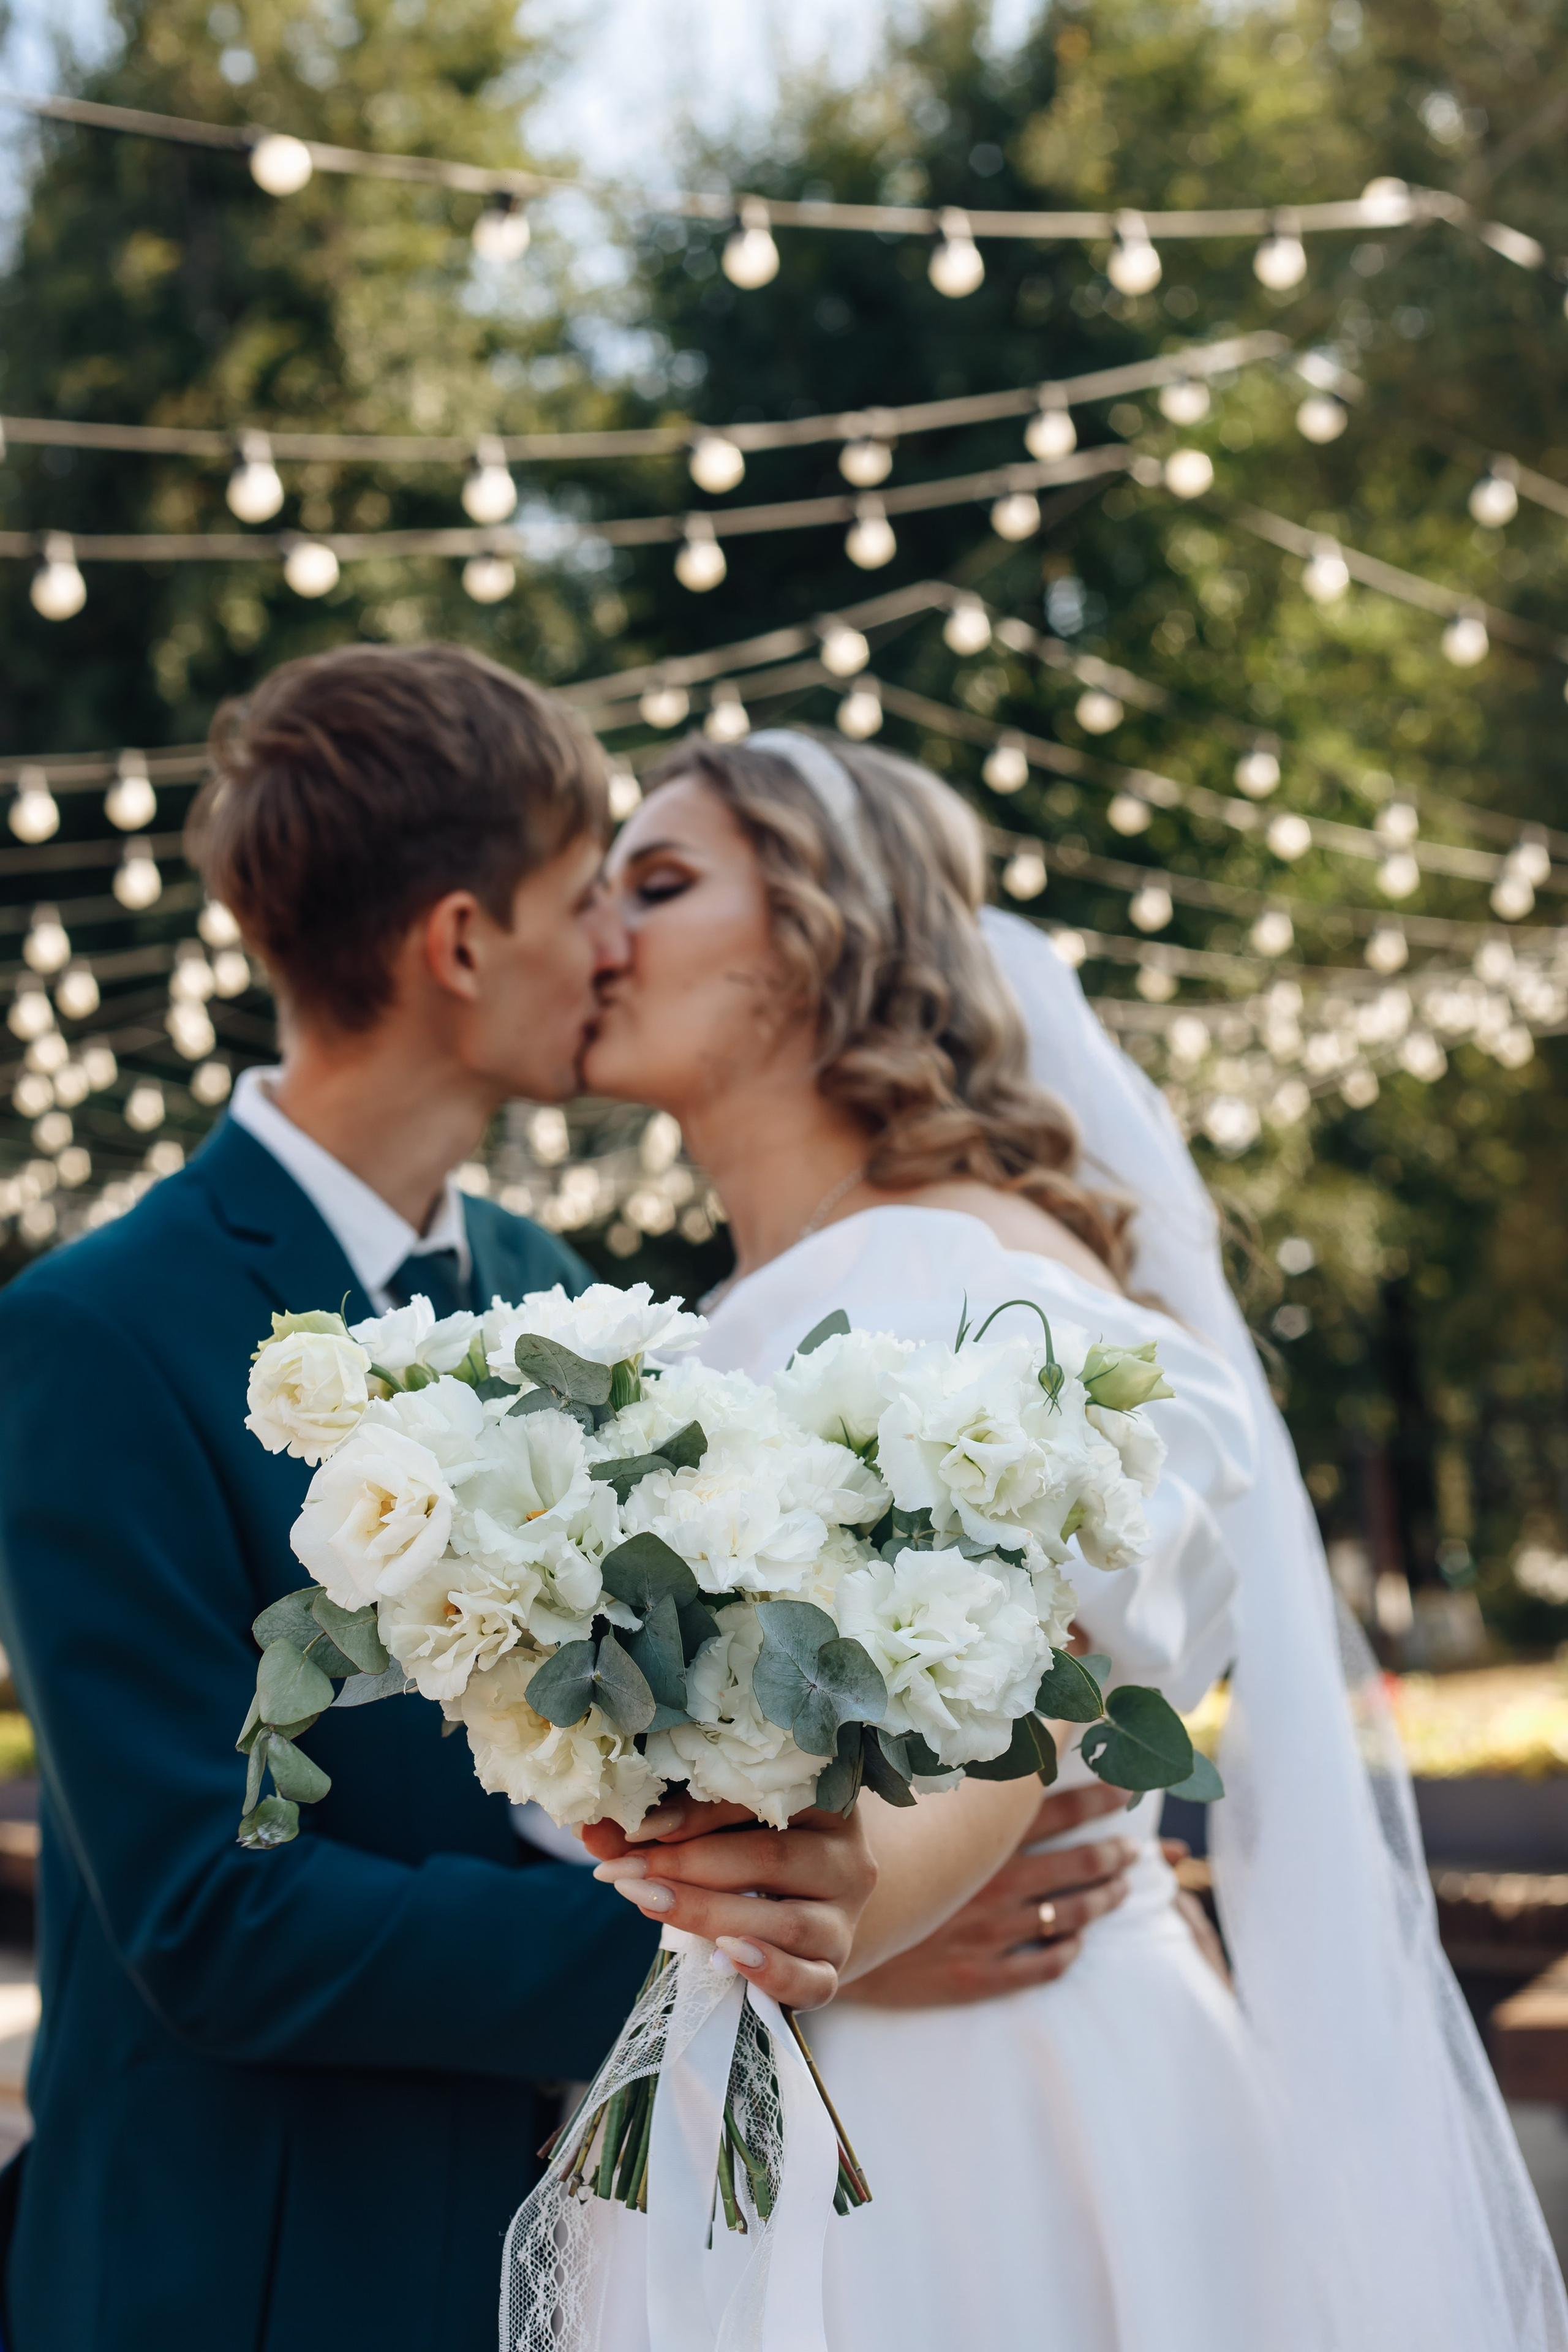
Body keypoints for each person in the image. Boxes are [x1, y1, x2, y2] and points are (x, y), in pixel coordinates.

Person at [579, 725, 1568, 2352]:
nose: (600, 932)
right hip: (798, 2083)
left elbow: (1018, 1701)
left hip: (980, 2104)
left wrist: (850, 1910)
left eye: (663, 883)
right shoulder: (734, 1315)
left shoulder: (964, 1269)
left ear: (837, 926)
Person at [0, 649, 877, 2352]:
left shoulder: (566, 1301)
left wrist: (865, 1845)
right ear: (463, 944)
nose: (615, 943)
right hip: (235, 2274)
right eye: (582, 896)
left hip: (536, 2239)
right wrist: (713, 1947)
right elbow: (211, 1912)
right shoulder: (90, 1337)